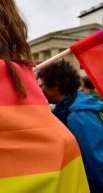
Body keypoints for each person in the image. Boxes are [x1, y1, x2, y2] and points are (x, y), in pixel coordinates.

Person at [37, 60, 103, 193]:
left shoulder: (78, 116)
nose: (41, 91)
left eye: (43, 86)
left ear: (55, 85)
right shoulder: (72, 106)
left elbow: (96, 163)